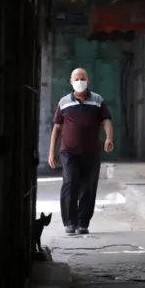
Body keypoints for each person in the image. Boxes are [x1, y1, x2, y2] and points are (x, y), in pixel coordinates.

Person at [48, 68, 114, 234]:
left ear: (88, 80)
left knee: (88, 187)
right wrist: (51, 152)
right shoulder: (64, 102)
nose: (80, 81)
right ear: (71, 81)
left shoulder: (97, 100)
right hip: (69, 153)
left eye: (82, 78)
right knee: (70, 184)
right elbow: (56, 128)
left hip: (92, 153)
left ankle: (83, 223)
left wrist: (109, 138)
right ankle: (70, 222)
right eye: (76, 78)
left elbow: (106, 120)